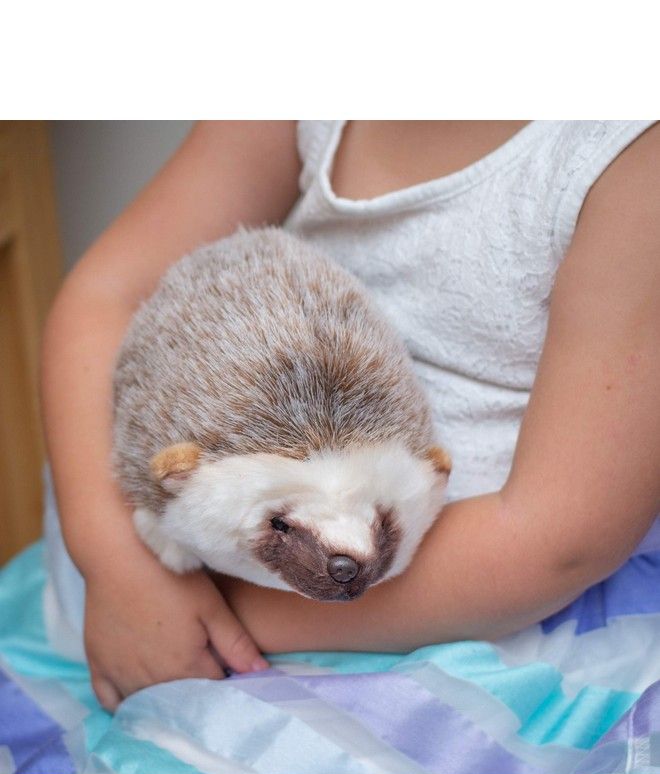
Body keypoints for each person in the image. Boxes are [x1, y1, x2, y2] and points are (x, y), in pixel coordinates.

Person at [41, 120, 660, 712]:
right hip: (208, 561)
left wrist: (218, 609)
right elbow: (106, 294)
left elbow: (557, 543)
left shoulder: (631, 155)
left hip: (487, 621)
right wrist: (119, 564)